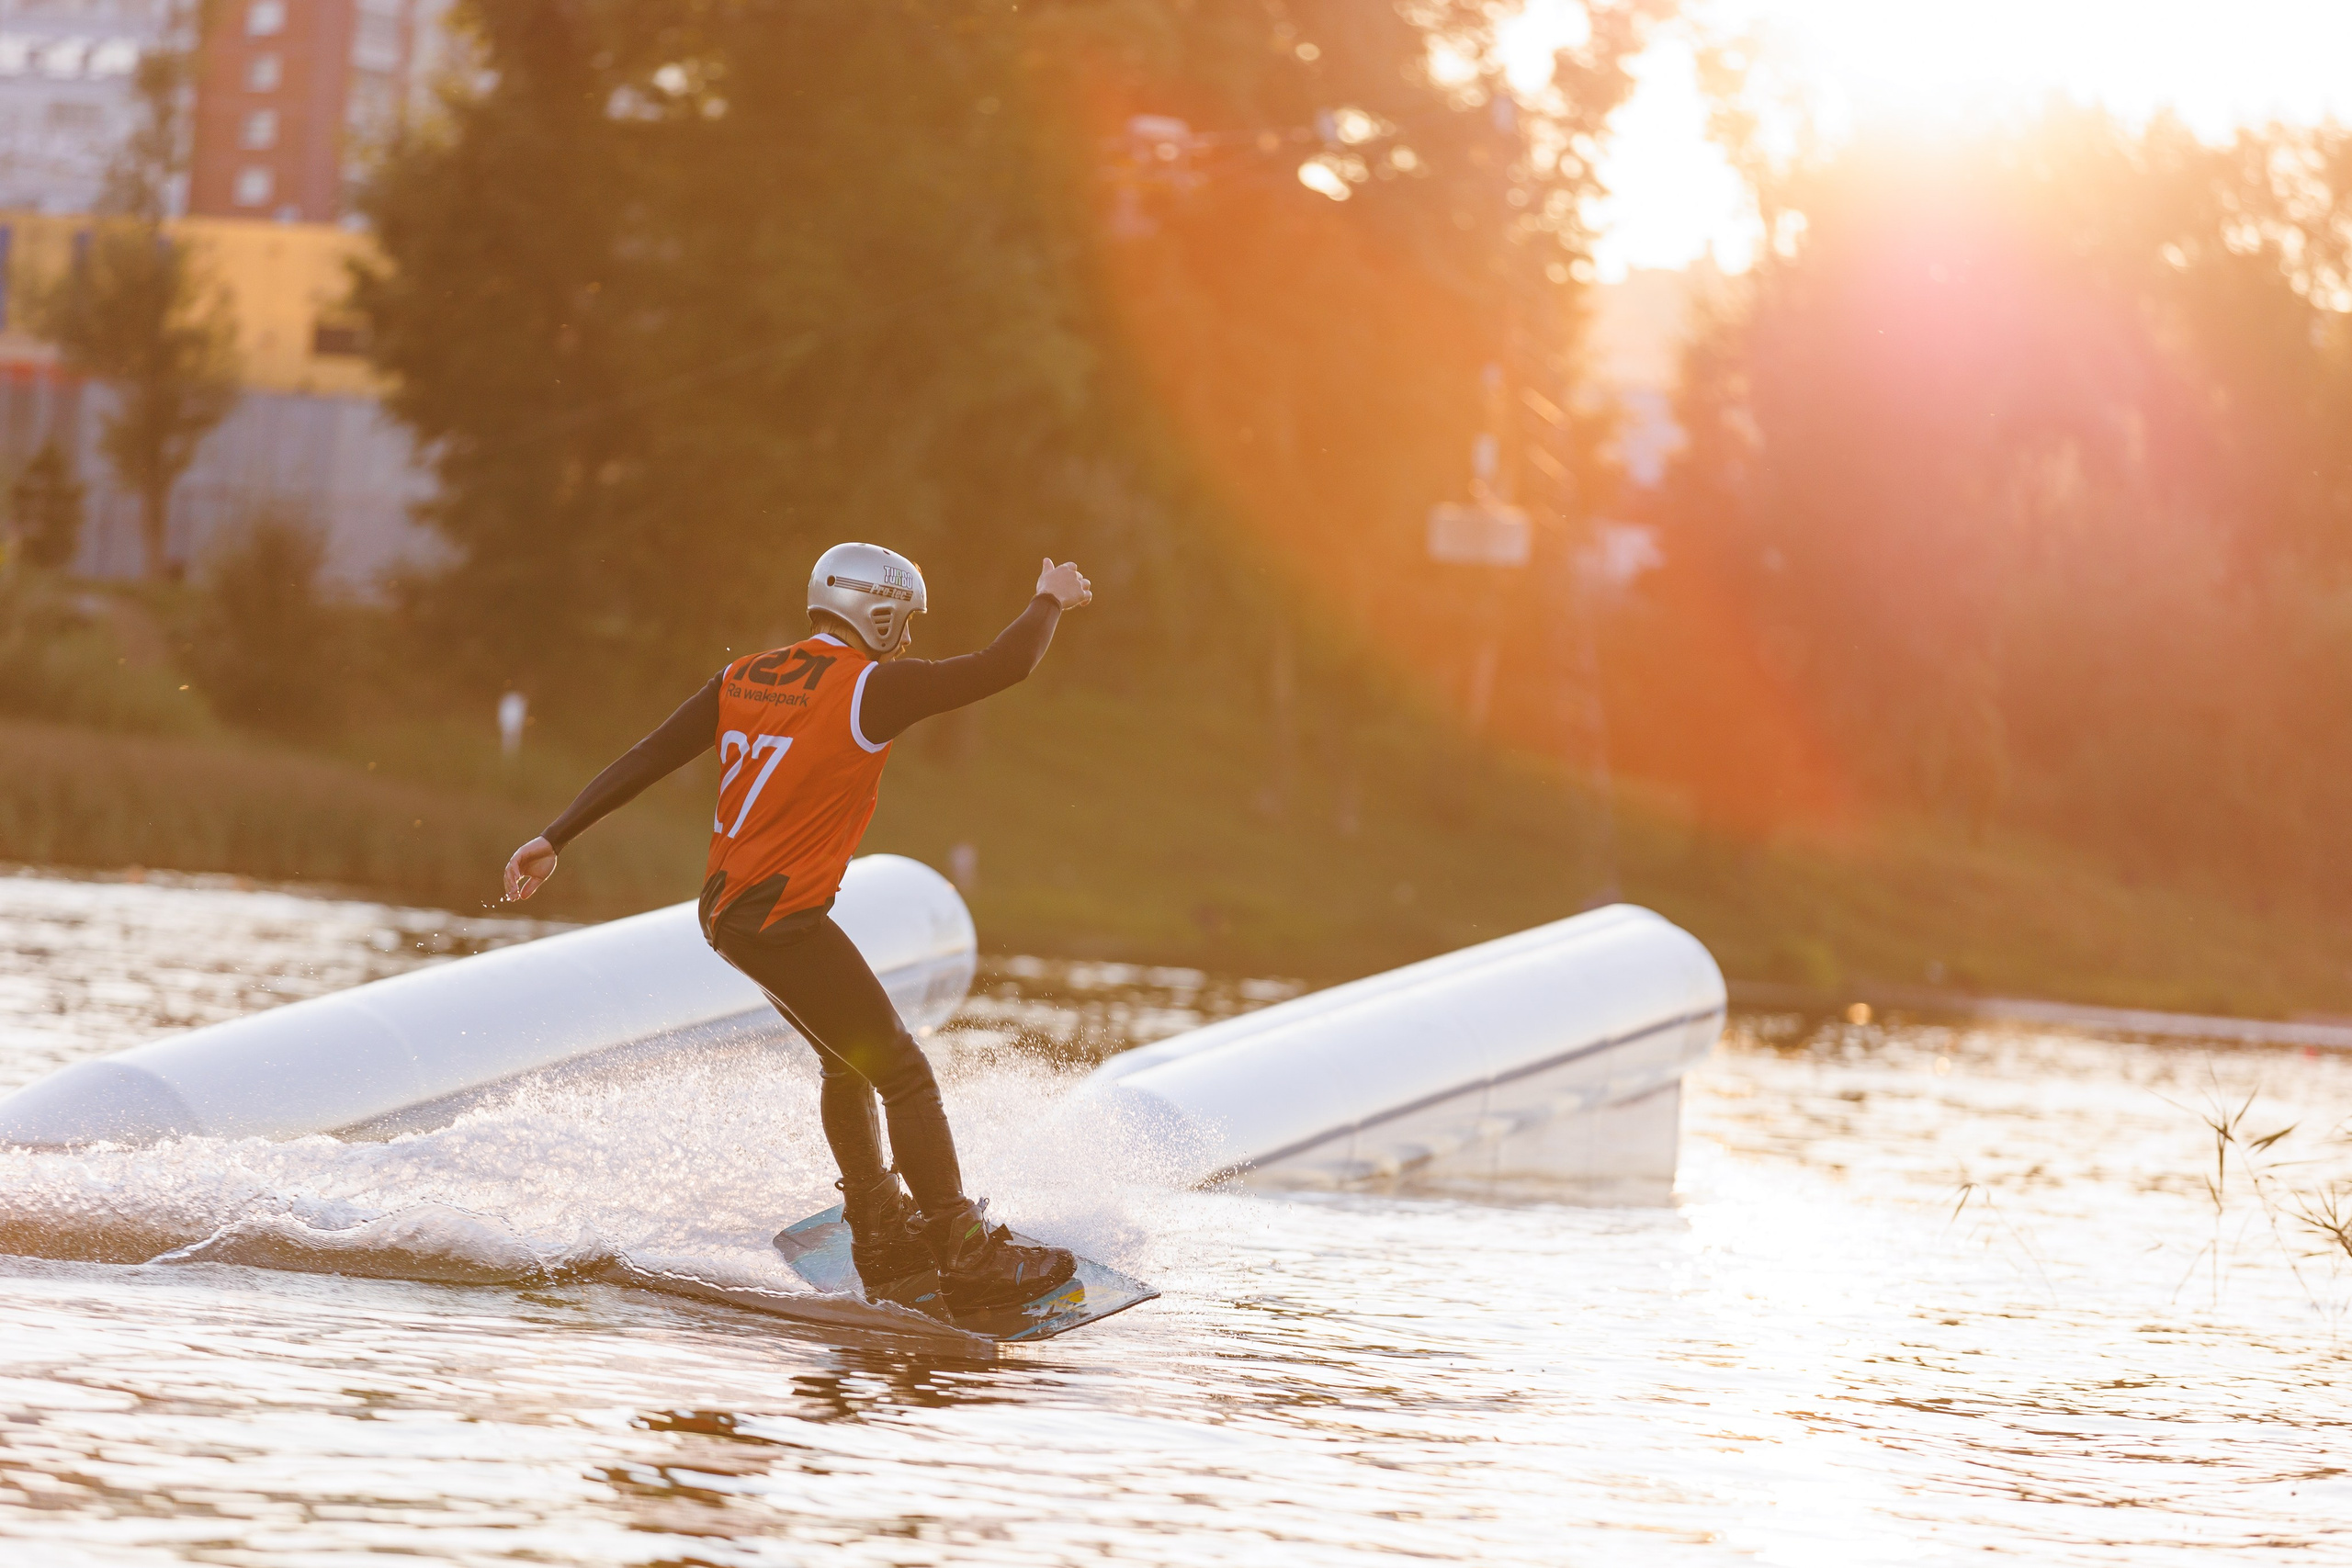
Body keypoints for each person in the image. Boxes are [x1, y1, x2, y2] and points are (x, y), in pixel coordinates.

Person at [502, 545, 1093, 1314]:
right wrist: (1049, 597)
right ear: (875, 614)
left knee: (848, 1062)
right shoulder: (869, 688)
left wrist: (557, 835)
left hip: (729, 911)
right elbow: (1003, 664)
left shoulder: (745, 674)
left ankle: (880, 1227)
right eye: (903, 622)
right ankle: (963, 1250)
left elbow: (653, 753)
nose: (907, 639)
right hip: (781, 918)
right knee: (903, 1071)